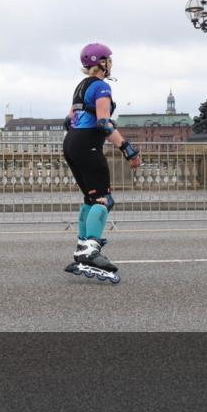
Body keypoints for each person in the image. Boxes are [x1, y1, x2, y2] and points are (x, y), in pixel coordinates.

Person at [62, 43, 141, 272]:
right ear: (102, 63)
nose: (111, 65)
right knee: (104, 199)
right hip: (87, 145)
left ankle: (82, 246)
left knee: (90, 198)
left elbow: (69, 120)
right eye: (109, 61)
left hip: (72, 143)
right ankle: (90, 251)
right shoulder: (101, 87)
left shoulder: (81, 86)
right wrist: (128, 150)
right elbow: (104, 122)